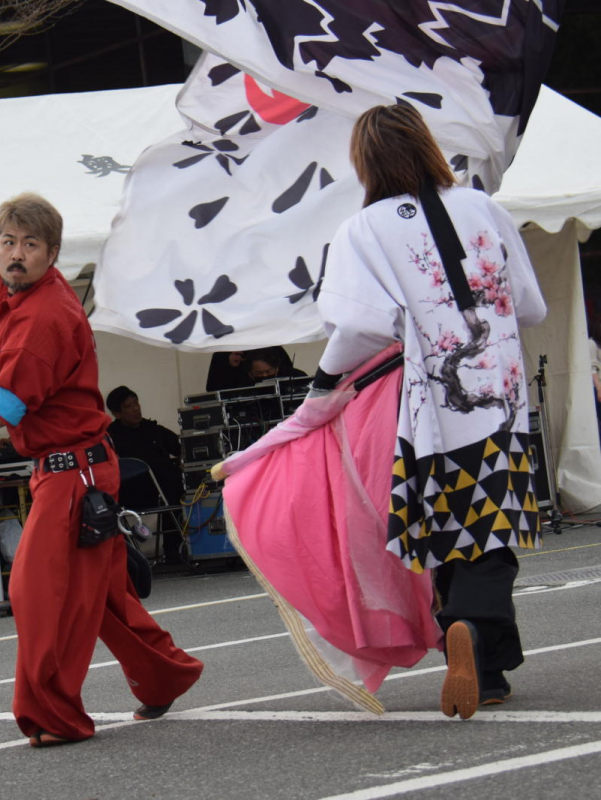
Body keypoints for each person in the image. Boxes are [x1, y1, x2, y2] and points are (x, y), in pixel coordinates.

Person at [219, 105, 546, 720]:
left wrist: (323, 383)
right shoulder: (482, 208)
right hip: (498, 398)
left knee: (450, 528)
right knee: (492, 528)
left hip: (428, 410)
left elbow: (360, 326)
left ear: (364, 164)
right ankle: (476, 638)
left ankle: (482, 657)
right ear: (427, 146)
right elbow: (529, 305)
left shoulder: (364, 230)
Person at [0, 145, 203, 747]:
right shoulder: (13, 283)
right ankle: (164, 674)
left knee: (39, 594)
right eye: (9, 241)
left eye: (29, 245)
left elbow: (3, 409)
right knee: (103, 597)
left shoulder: (45, 318)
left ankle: (54, 715)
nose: (14, 254)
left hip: (78, 477)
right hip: (67, 470)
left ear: (52, 255)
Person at [104, 386, 185, 562]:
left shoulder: (154, 429)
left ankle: (176, 549)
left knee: (178, 484)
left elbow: (182, 447)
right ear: (117, 413)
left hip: (164, 490)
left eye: (136, 403)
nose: (136, 409)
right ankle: (129, 557)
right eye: (128, 406)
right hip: (132, 492)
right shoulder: (110, 437)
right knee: (172, 482)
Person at [204, 346, 305, 391]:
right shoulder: (224, 353)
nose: (264, 376)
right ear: (250, 373)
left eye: (269, 371)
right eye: (258, 373)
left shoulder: (273, 346)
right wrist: (228, 367)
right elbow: (214, 390)